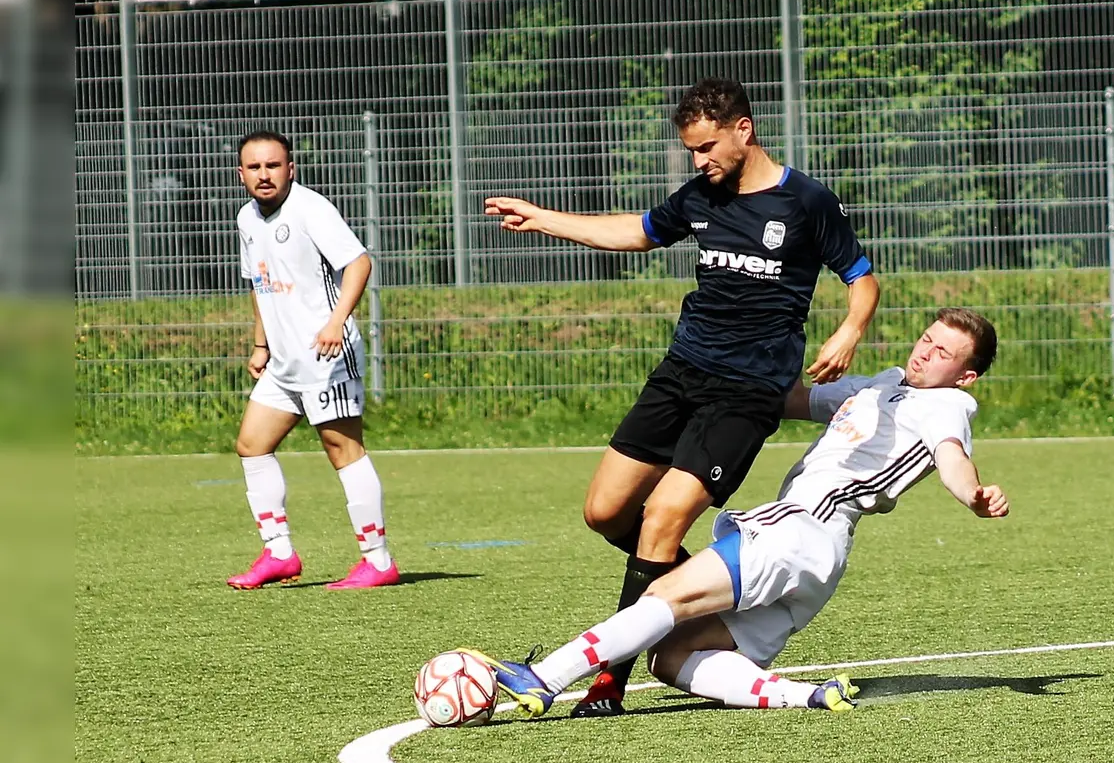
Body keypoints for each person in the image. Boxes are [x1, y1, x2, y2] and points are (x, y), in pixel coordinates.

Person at [484, 77, 880, 715]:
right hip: (681, 374)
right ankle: (693, 588)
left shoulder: (805, 201)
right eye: (691, 151)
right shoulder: (701, 194)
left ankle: (606, 681)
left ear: (742, 129)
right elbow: (637, 231)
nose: (699, 162)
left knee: (665, 518)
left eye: (706, 147)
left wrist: (849, 331)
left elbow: (861, 278)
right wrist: (543, 219)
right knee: (606, 512)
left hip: (748, 392)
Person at [462, 309, 1005, 716]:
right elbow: (790, 400)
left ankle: (543, 678)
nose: (925, 352)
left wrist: (974, 495)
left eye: (943, 353)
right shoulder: (884, 384)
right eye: (927, 339)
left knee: (663, 595)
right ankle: (808, 697)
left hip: (800, 531)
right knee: (671, 657)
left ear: (965, 376)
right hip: (818, 558)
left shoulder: (949, 406)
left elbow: (952, 458)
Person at [225, 130, 399, 590]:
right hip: (283, 361)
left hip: (327, 356)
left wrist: (335, 322)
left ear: (290, 169)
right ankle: (279, 553)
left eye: (273, 165)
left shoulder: (310, 208)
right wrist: (261, 345)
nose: (264, 175)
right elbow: (259, 284)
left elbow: (359, 262)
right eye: (255, 167)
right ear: (240, 173)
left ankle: (377, 560)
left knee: (343, 450)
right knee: (252, 445)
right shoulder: (246, 219)